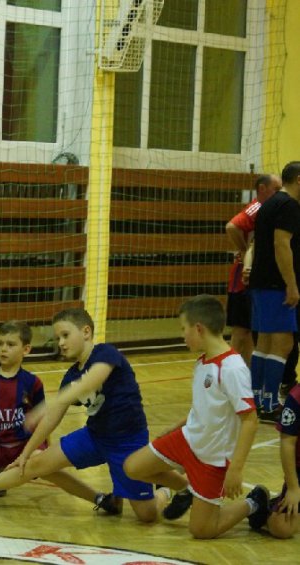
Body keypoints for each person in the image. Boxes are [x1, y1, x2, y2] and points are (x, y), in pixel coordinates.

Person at [0, 308, 181, 522]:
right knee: (35, 462)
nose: (61, 343)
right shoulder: (71, 375)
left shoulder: (105, 353)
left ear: (86, 332)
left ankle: (165, 490)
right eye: (57, 338)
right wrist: (24, 453)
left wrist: (52, 402)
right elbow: (51, 419)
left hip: (126, 442)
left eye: (65, 335)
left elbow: (92, 380)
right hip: (94, 437)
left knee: (147, 515)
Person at [0, 320, 120, 513]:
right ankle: (0, 473)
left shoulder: (32, 383)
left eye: (10, 344)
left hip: (27, 447)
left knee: (45, 466)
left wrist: (45, 451)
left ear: (26, 349)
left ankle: (98, 498)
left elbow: (45, 419)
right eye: (0, 344)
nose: (3, 349)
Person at [123, 295, 266, 539]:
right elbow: (205, 407)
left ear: (199, 328)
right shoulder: (202, 362)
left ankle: (254, 503)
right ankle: (185, 489)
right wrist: (177, 426)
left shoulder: (232, 368)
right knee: (133, 467)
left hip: (213, 458)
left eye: (184, 329)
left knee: (201, 530)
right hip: (187, 440)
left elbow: (250, 421)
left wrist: (235, 469)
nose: (183, 335)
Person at [248, 162, 300, 422]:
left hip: (262, 282)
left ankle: (257, 401)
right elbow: (282, 244)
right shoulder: (289, 205)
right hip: (276, 285)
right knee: (283, 343)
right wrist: (291, 284)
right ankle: (268, 406)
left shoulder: (270, 203)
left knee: (265, 343)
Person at [225, 174, 281, 365]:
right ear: (262, 189)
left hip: (258, 276)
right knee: (241, 330)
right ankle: (228, 372)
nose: (280, 193)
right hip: (243, 277)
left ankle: (247, 373)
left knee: (250, 330)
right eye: (276, 189)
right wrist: (243, 250)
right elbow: (232, 226)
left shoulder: (273, 209)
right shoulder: (257, 207)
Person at [256, 383, 300, 538]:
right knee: (282, 527)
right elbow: (287, 442)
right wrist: (293, 488)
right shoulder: (297, 397)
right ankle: (258, 505)